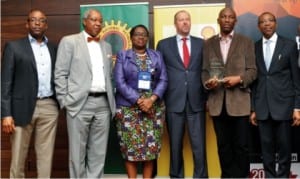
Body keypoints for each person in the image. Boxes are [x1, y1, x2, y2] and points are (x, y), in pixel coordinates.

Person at [54, 9, 116, 178]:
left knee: (98, 153)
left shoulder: (107, 46)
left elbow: (109, 75)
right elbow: (60, 73)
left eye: (100, 21)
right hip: (79, 103)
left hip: (103, 104)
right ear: (84, 21)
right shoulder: (69, 41)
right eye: (93, 20)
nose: (97, 23)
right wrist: (64, 100)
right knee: (77, 153)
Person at [1, 9, 59, 178]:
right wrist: (6, 114)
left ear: (46, 25)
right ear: (27, 24)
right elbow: (5, 82)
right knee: (18, 156)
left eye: (41, 20)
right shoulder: (14, 47)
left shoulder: (54, 48)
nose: (37, 23)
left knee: (46, 157)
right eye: (33, 20)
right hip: (20, 108)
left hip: (49, 106)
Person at [201, 7, 257, 178]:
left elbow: (252, 71)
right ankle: (226, 176)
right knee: (223, 145)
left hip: (239, 102)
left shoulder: (246, 42)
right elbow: (204, 71)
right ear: (218, 20)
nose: (227, 20)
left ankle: (241, 177)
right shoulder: (208, 43)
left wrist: (239, 79)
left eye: (230, 17)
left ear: (235, 21)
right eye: (223, 17)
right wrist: (208, 83)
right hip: (217, 103)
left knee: (241, 145)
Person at [156, 10, 208, 178]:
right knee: (175, 144)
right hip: (173, 101)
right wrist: (160, 99)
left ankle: (201, 176)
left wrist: (207, 98)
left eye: (187, 19)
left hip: (197, 100)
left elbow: (206, 71)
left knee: (199, 145)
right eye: (181, 20)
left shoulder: (202, 44)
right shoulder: (163, 45)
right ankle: (176, 176)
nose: (185, 22)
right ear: (175, 24)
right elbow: (158, 73)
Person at [250, 12, 300, 178]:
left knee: (285, 147)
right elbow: (254, 81)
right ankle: (270, 176)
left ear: (276, 24)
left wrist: (297, 107)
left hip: (284, 106)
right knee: (266, 148)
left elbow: (296, 79)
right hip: (262, 106)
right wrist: (253, 108)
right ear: (258, 26)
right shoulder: (254, 47)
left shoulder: (289, 45)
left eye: (270, 21)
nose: (267, 24)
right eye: (263, 22)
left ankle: (283, 176)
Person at [114, 24, 168, 178]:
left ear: (147, 38)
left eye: (144, 34)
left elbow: (164, 80)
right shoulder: (123, 56)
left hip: (153, 109)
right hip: (128, 110)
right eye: (137, 34)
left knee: (150, 150)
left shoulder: (157, 56)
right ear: (131, 37)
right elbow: (119, 82)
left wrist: (151, 99)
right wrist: (139, 100)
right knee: (130, 149)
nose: (141, 37)